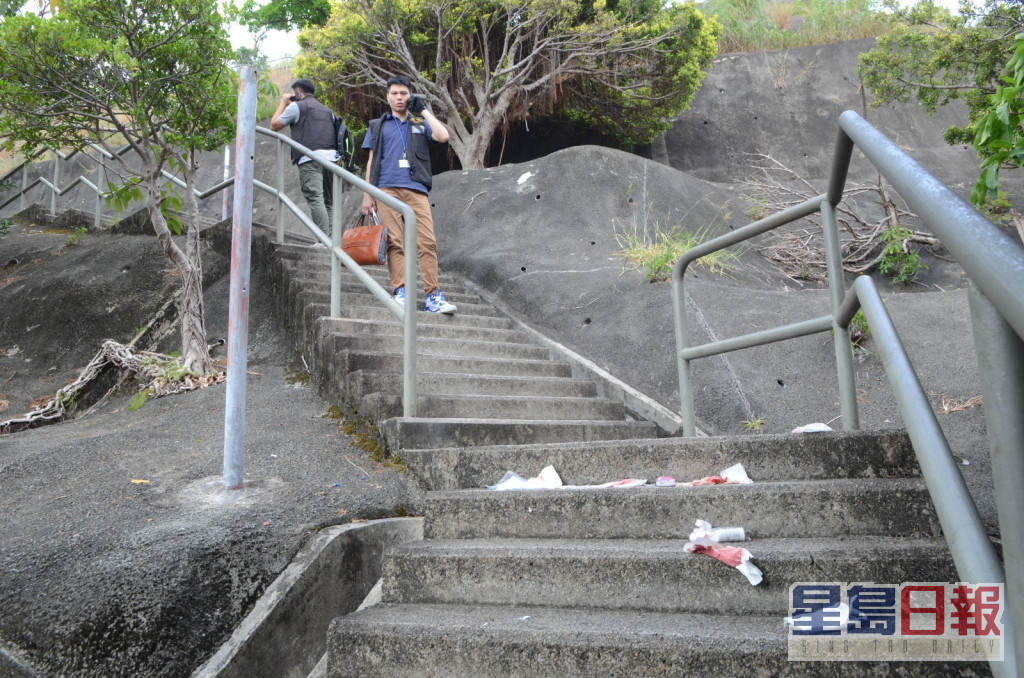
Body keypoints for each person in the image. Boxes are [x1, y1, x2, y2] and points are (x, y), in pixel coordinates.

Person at [361, 75, 457, 315]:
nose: (399, 97)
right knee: (394, 242)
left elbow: (443, 136)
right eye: (394, 93)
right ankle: (400, 291)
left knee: (427, 242)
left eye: (404, 93)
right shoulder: (378, 125)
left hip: (416, 188)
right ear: (387, 97)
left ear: (410, 95)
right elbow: (372, 160)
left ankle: (433, 295)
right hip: (386, 188)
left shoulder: (419, 122)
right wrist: (367, 194)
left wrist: (423, 110)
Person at [270, 78, 340, 235]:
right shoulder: (328, 111)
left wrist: (283, 102)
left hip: (310, 159)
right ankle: (331, 242)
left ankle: (324, 241)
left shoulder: (296, 107)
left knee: (315, 198)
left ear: (297, 93)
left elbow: (274, 125)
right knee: (328, 201)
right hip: (331, 160)